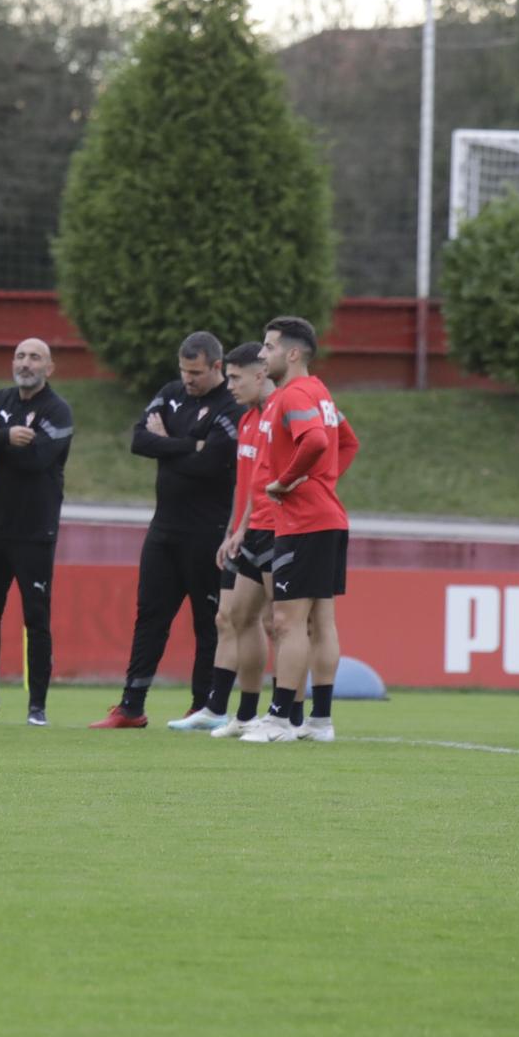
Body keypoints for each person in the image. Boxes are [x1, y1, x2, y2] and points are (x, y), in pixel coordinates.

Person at [91, 332, 242, 729]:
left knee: (208, 621)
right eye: (183, 370)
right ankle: (131, 705)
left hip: (208, 531)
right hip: (163, 529)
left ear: (216, 367)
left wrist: (168, 443)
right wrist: (187, 445)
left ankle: (202, 706)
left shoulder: (230, 404)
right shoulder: (171, 393)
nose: (188, 379)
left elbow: (212, 463)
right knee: (150, 615)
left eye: (195, 372)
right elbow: (140, 441)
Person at [241, 316, 357, 745]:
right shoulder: (321, 392)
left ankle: (278, 718)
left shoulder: (295, 395)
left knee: (287, 623)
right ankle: (319, 721)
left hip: (304, 522)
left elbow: (317, 443)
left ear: (291, 353)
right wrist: (324, 482)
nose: (263, 355)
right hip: (326, 517)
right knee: (319, 623)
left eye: (268, 348)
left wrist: (287, 480)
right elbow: (347, 442)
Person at [0, 338, 71, 727]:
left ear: (49, 368)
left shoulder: (58, 410)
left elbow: (38, 459)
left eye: (35, 357)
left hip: (36, 529)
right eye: (21, 356)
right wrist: (7, 435)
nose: (26, 363)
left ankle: (37, 706)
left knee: (36, 617)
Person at [169, 341, 278, 734]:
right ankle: (231, 711)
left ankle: (290, 715)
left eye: (234, 377)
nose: (228, 386)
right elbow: (248, 486)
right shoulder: (249, 419)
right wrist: (235, 530)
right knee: (229, 616)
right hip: (248, 531)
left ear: (259, 374)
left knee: (277, 621)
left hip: (277, 529)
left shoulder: (281, 413)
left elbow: (335, 446)